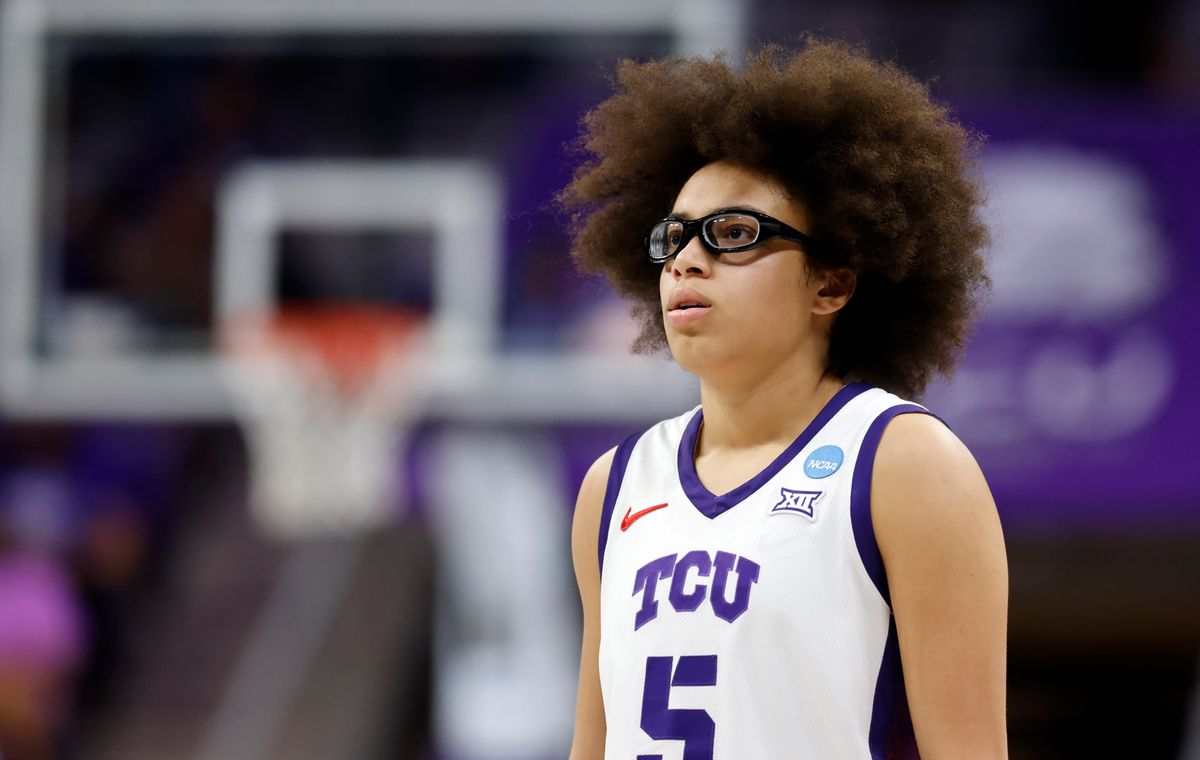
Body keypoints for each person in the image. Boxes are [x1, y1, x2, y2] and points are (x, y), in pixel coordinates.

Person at [559, 38, 1008, 759]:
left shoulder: (905, 463)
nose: (687, 260)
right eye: (674, 237)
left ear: (831, 283)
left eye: (734, 233)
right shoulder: (613, 487)